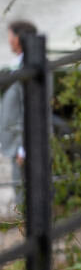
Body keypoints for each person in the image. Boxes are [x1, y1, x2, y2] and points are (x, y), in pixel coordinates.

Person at [0, 20, 35, 217]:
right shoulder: (21, 64)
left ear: (19, 38)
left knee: (23, 186)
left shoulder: (28, 66)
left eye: (10, 36)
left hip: (21, 144)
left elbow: (28, 107)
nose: (8, 41)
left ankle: (30, 228)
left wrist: (24, 146)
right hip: (14, 143)